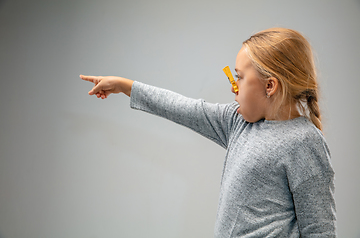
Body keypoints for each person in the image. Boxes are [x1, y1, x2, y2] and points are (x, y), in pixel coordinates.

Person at [80, 27, 336, 237]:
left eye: (239, 78)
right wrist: (126, 86)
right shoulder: (239, 123)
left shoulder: (304, 142)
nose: (234, 87)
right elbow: (184, 108)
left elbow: (320, 230)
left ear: (270, 86)